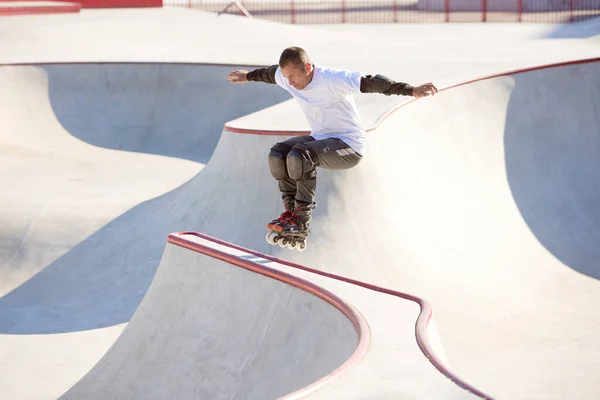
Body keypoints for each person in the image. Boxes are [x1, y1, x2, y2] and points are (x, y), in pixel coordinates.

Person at [227, 46, 438, 244]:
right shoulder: (285, 76)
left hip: (349, 146)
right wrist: (246, 76)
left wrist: (411, 90)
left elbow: (372, 82)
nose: (290, 82)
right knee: (278, 153)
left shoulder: (332, 78)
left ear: (308, 68)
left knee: (300, 155)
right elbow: (269, 74)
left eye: (293, 76)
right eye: (286, 77)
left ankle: (302, 221)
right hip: (322, 139)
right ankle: (291, 213)